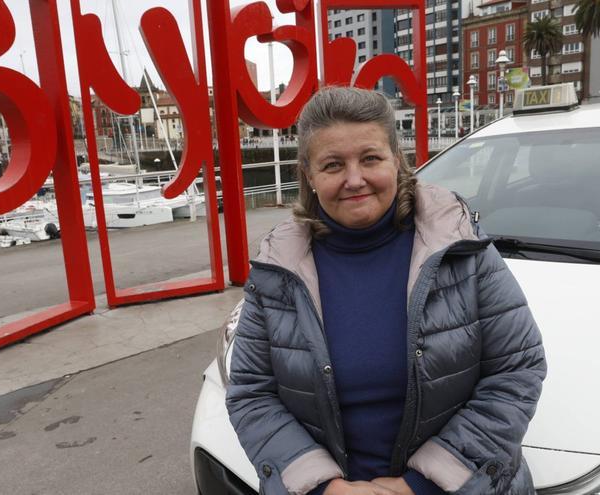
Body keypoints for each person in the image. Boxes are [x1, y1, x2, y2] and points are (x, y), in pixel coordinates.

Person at [226, 86, 546, 495]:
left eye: (370, 158)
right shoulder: (278, 268)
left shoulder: (460, 247)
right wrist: (323, 488)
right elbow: (251, 394)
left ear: (396, 158)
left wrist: (421, 485)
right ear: (308, 174)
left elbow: (517, 369)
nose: (354, 179)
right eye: (333, 165)